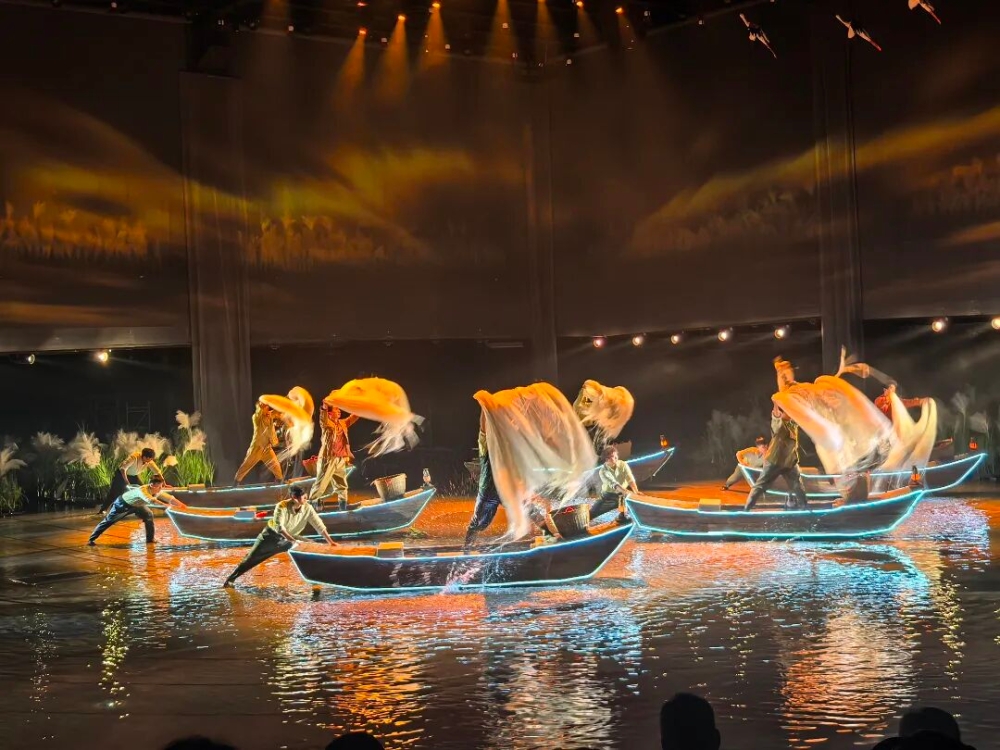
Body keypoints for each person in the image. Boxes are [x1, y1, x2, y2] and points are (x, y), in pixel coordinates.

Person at [224, 486, 337, 588]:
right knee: (250, 559)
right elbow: (280, 528)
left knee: (312, 547)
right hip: (270, 537)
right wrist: (294, 541)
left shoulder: (307, 507)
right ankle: (230, 580)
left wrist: (330, 541)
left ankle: (314, 581)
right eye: (304, 498)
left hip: (290, 537)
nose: (306, 500)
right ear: (294, 498)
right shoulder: (281, 506)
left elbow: (318, 524)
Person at [744, 403, 807, 510]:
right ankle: (747, 508)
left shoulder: (793, 424)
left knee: (797, 485)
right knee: (760, 485)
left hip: (789, 462)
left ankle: (804, 507)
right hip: (774, 461)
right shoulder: (779, 423)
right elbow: (776, 415)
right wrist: (776, 403)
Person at [88, 475, 183, 546]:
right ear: (152, 485)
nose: (161, 488)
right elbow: (152, 500)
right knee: (109, 521)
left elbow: (169, 498)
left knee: (148, 514)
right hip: (123, 504)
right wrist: (166, 506)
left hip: (137, 505)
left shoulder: (156, 490)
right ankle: (91, 539)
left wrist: (182, 506)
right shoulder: (143, 491)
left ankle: (150, 539)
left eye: (161, 486)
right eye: (159, 487)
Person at [464, 412, 504, 549]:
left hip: (504, 491)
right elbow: (483, 430)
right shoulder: (486, 447)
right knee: (479, 524)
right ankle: (467, 548)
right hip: (488, 494)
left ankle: (548, 532)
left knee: (528, 509)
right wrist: (484, 407)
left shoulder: (506, 446)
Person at [310, 402, 359, 509]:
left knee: (341, 483)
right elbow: (322, 417)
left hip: (340, 458)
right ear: (330, 413)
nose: (339, 411)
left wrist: (360, 407)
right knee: (321, 484)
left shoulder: (343, 423)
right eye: (336, 409)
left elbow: (354, 417)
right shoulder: (326, 423)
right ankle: (311, 505)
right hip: (328, 458)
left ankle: (343, 505)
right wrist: (324, 407)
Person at [98, 447, 162, 514]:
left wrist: (163, 482)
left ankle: (139, 510)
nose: (150, 461)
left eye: (151, 459)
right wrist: (127, 482)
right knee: (115, 492)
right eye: (149, 459)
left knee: (144, 490)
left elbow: (157, 471)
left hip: (133, 475)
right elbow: (123, 469)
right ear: (144, 457)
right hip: (121, 475)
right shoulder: (134, 457)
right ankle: (103, 510)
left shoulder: (149, 461)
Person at [235, 401, 282, 484]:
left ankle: (279, 481)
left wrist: (286, 399)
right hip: (256, 448)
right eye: (264, 407)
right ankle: (236, 482)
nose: (266, 408)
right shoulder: (256, 418)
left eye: (267, 407)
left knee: (275, 466)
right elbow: (259, 412)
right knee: (246, 466)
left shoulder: (269, 415)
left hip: (267, 449)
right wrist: (261, 406)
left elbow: (278, 411)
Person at [591, 444, 638, 519]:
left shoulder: (623, 464)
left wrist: (636, 491)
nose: (615, 458)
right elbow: (614, 484)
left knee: (630, 508)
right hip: (608, 495)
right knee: (592, 513)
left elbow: (630, 478)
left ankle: (623, 515)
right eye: (613, 457)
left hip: (622, 494)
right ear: (607, 459)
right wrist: (627, 493)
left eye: (616, 456)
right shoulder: (603, 471)